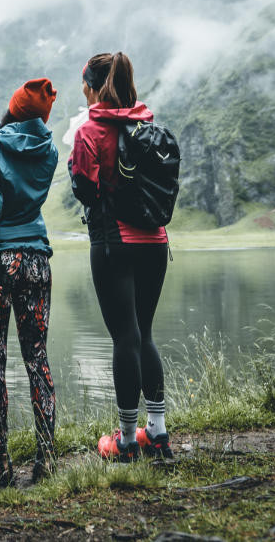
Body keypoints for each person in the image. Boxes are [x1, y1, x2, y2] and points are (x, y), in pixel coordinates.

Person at [68, 52, 174, 462]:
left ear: (93, 87)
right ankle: (158, 434)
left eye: (83, 83)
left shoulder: (89, 132)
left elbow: (84, 189)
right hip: (156, 242)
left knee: (124, 338)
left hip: (113, 244)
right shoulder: (146, 126)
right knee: (144, 333)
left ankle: (127, 440)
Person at [0, 78, 59, 485]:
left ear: (14, 111)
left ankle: (0, 463)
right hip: (36, 261)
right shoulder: (49, 150)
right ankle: (47, 460)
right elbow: (15, 140)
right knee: (37, 359)